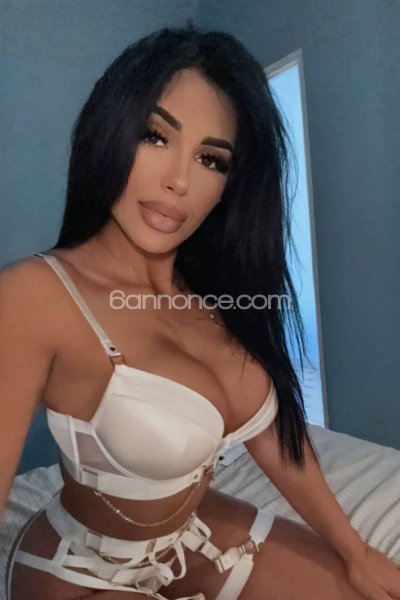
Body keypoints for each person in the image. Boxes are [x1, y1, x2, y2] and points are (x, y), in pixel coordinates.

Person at [1, 22, 399, 600]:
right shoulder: (35, 295)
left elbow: (276, 441)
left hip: (192, 537)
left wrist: (355, 552)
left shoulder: (221, 296)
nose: (179, 181)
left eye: (211, 160)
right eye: (155, 137)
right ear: (109, 133)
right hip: (78, 568)